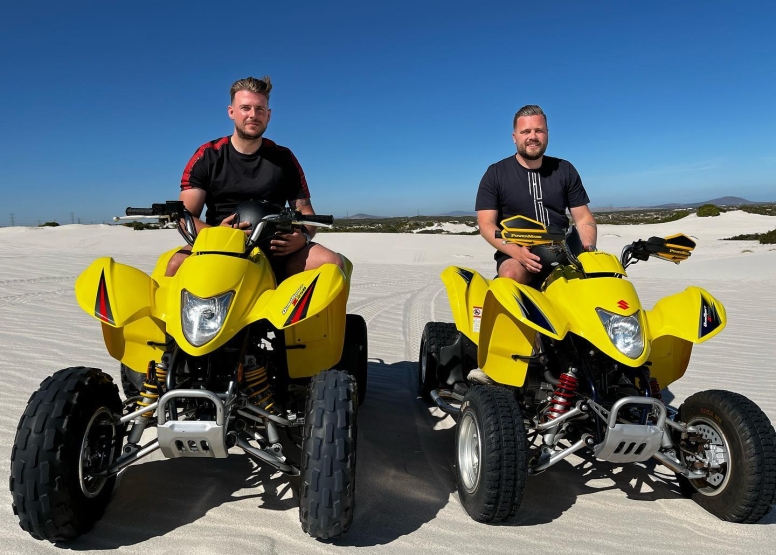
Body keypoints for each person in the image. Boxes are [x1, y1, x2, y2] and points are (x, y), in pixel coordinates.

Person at [166, 75, 343, 279]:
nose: (253, 115)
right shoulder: (207, 156)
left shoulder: (284, 158)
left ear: (268, 115)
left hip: (277, 246)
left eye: (260, 109)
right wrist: (216, 234)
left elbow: (306, 213)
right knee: (175, 265)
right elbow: (185, 215)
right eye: (245, 108)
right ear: (231, 112)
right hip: (219, 244)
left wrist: (302, 236)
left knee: (332, 263)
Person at [475, 105, 597, 285]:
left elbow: (583, 217)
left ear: (547, 133)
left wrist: (589, 248)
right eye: (525, 131)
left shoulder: (564, 169)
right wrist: (517, 251)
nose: (533, 137)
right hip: (515, 250)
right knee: (510, 274)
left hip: (563, 249)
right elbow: (486, 224)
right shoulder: (495, 173)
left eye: (538, 130)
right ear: (514, 137)